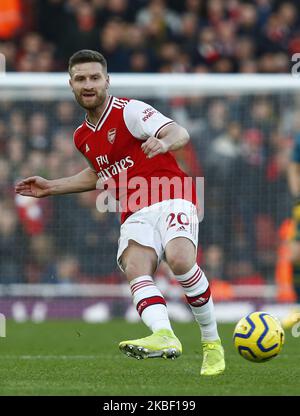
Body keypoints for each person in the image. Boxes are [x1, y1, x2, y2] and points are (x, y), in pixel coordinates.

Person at [15, 49, 225, 376]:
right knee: (135, 267)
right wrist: (51, 187)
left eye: (95, 78)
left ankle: (212, 344)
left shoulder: (130, 111)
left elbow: (178, 132)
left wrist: (164, 142)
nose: (89, 85)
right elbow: (101, 174)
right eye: (81, 79)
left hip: (170, 193)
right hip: (133, 208)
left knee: (181, 260)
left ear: (107, 81)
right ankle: (164, 335)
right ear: (70, 84)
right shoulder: (81, 137)